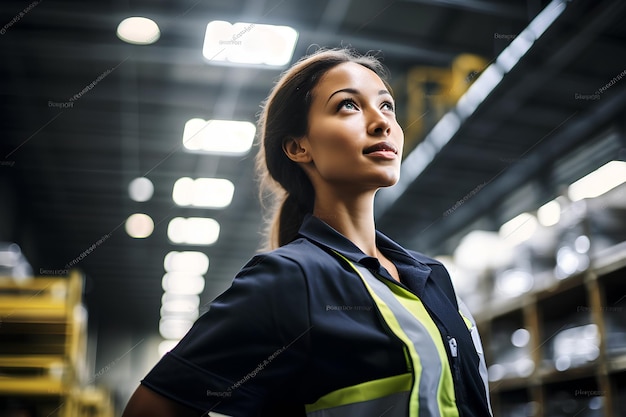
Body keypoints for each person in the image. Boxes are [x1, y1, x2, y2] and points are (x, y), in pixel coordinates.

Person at [121, 48, 492, 417]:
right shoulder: (288, 281)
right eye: (348, 105)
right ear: (299, 147)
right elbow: (151, 409)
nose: (382, 123)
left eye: (386, 106)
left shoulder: (432, 278)